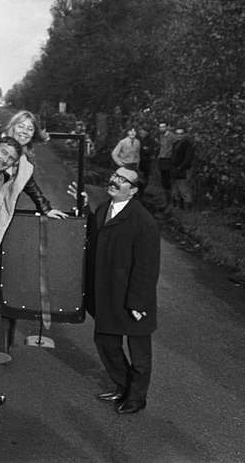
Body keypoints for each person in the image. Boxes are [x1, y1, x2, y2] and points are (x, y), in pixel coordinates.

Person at [85, 166, 160, 415]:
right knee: (106, 342)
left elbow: (147, 267)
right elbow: (96, 238)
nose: (114, 181)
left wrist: (138, 303)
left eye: (123, 180)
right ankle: (123, 386)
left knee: (139, 354)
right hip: (107, 293)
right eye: (115, 176)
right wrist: (85, 209)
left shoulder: (144, 221)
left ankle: (137, 398)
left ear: (134, 190)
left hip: (133, 298)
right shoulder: (103, 209)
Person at [0, 110, 68, 264]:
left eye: (30, 129)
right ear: (13, 126)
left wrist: (46, 209)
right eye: (21, 126)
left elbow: (31, 186)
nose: (24, 131)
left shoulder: (24, 161)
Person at [170, 127, 195, 209]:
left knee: (184, 188)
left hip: (184, 169)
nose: (179, 135)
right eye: (177, 134)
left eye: (181, 134)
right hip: (175, 169)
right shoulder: (175, 144)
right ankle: (178, 206)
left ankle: (188, 207)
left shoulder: (187, 145)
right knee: (176, 188)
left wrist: (181, 167)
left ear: (184, 135)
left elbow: (188, 158)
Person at [156, 122, 176, 203]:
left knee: (168, 179)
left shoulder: (171, 136)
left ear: (167, 127)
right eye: (160, 127)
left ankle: (171, 198)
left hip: (168, 159)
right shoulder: (161, 136)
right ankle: (165, 197)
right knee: (163, 178)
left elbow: (175, 147)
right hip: (162, 159)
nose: (162, 128)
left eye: (163, 127)